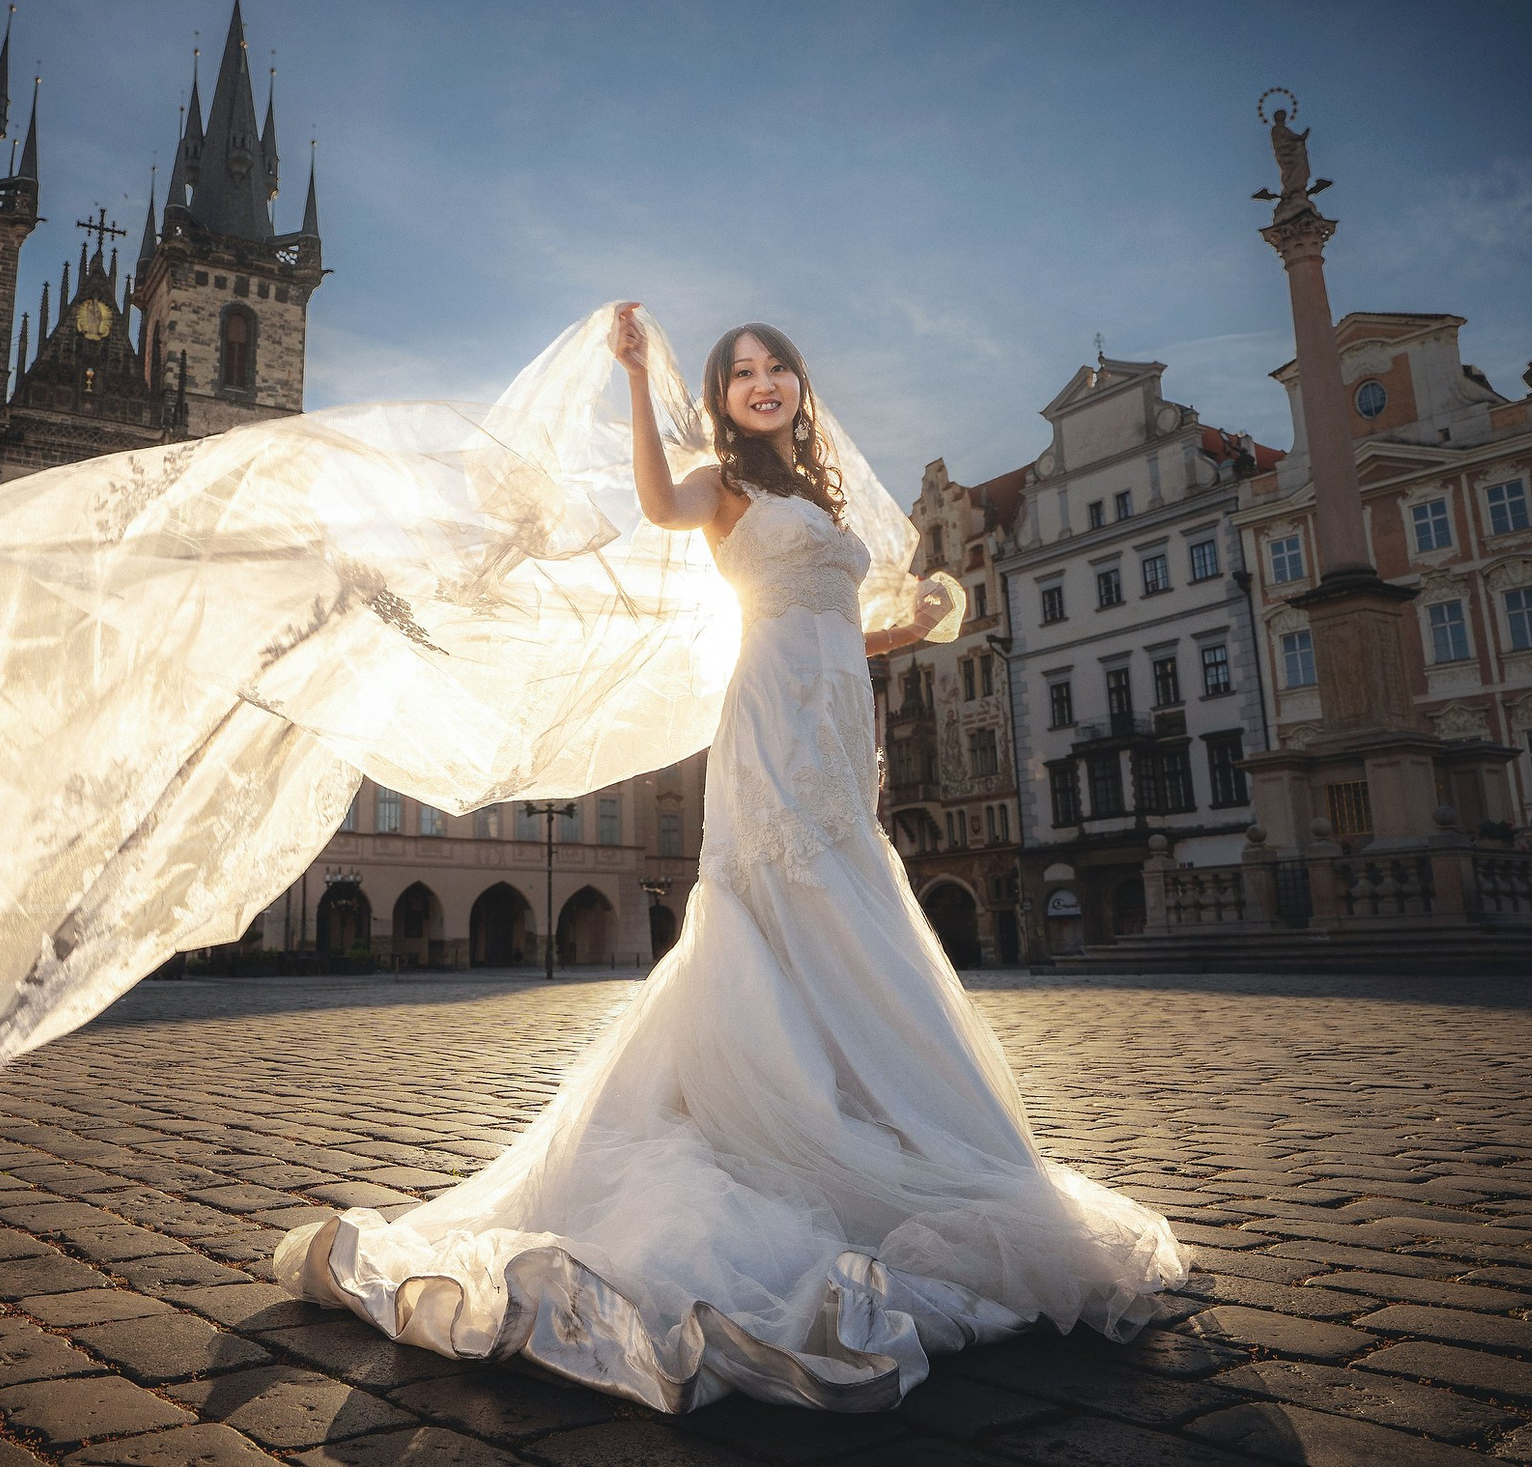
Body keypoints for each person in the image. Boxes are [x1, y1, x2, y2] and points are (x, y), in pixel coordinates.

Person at [273, 309, 1186, 1411]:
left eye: (776, 367)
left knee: (855, 909)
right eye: (740, 373)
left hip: (841, 720)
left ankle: (874, 1106)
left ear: (802, 383)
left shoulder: (826, 492)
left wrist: (918, 622)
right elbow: (657, 507)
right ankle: (780, 1115)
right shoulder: (719, 483)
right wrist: (628, 376)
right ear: (721, 397)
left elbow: (834, 618)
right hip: (769, 722)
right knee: (786, 901)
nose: (762, 382)